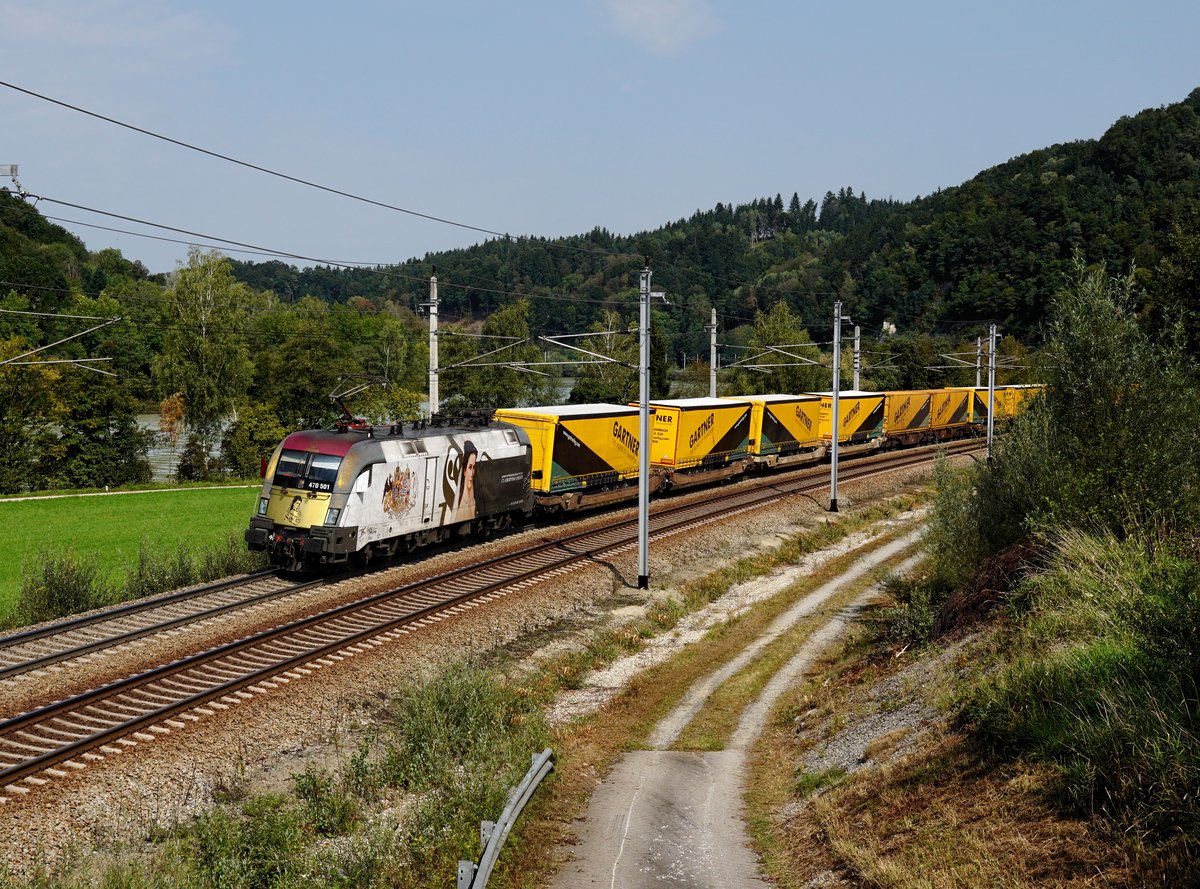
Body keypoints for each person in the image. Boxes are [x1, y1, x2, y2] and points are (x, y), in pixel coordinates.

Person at [454, 440, 477, 522]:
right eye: (470, 467)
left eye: (474, 467)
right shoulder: (461, 504)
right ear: (464, 470)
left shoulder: (473, 501)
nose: (472, 472)